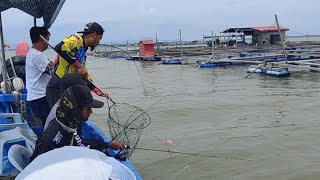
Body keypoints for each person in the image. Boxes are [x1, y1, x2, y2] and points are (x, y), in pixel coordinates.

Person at [30, 84, 123, 162]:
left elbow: (79, 143)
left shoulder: (70, 124)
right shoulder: (50, 137)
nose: (91, 112)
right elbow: (33, 165)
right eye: (88, 109)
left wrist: (106, 145)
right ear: (75, 110)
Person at [46, 22, 110, 109]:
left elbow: (84, 75)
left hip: (66, 86)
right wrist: (78, 66)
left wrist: (97, 91)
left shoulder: (83, 51)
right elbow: (60, 47)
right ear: (94, 35)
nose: (99, 42)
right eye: (99, 38)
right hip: (57, 86)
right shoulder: (77, 39)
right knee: (57, 114)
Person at [25, 26, 53, 125]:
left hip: (36, 96)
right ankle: (46, 140)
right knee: (49, 123)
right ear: (42, 39)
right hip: (40, 96)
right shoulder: (38, 55)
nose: (48, 43)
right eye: (47, 40)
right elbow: (52, 70)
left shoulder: (31, 53)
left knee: (47, 122)